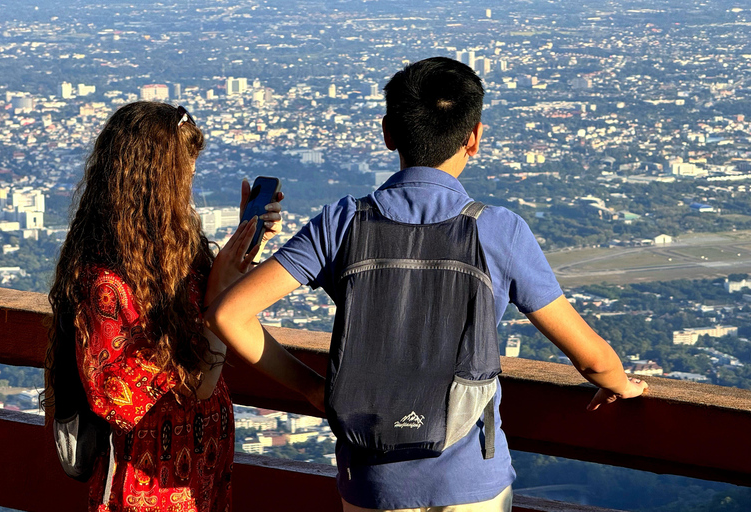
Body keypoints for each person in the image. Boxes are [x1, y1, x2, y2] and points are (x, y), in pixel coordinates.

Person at [204, 57, 648, 512]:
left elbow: (228, 313)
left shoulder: (343, 223)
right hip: (471, 478)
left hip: (373, 482)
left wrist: (314, 389)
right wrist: (622, 384)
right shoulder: (498, 230)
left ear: (388, 133)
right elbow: (592, 359)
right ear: (474, 137)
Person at [43, 101, 292, 511]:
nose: (190, 186)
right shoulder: (106, 285)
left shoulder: (180, 252)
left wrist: (238, 257)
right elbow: (193, 382)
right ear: (154, 182)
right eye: (184, 174)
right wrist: (220, 292)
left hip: (201, 469)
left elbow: (210, 320)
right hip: (149, 483)